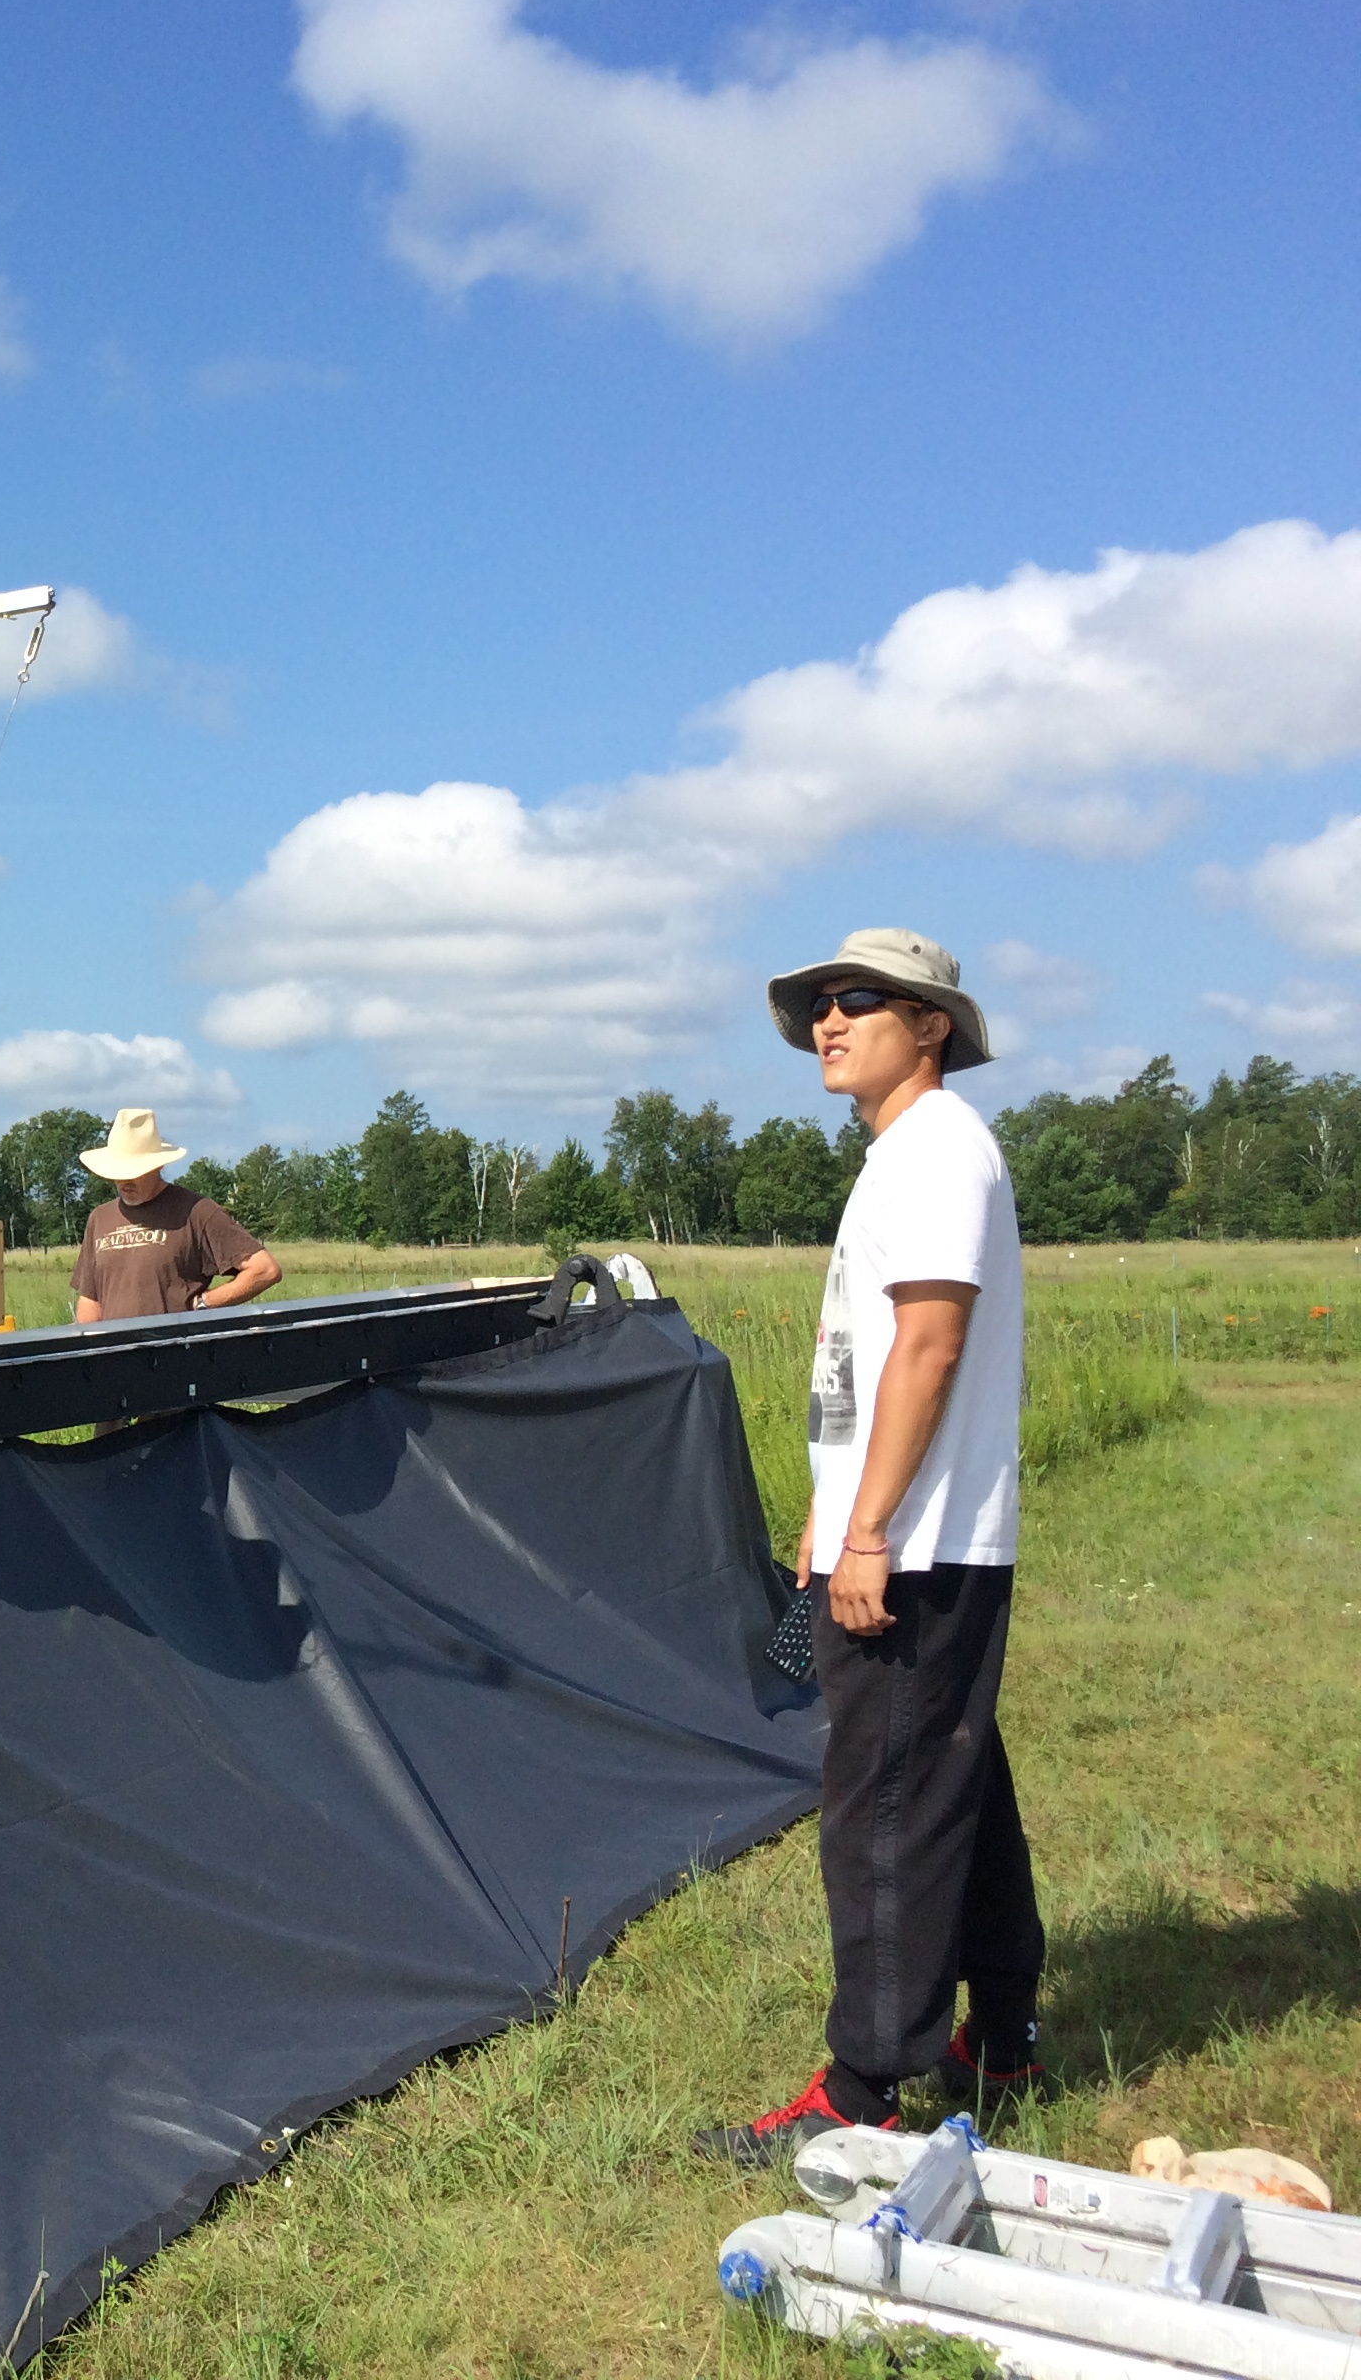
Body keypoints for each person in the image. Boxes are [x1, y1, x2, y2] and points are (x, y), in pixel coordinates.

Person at [695, 928, 1045, 2169]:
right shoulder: (907, 1152)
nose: (828, 1022)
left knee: (882, 1810)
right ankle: (1003, 2035)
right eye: (819, 1006)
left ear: (931, 1023)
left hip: (913, 1547)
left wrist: (869, 1531)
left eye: (859, 1000)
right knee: (954, 1781)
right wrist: (832, 1504)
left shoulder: (937, 1151)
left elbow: (931, 1347)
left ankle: (862, 2094)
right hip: (905, 1531)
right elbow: (876, 1360)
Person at [69, 1109, 281, 1322]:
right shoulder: (100, 1218)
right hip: (115, 1343)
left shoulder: (197, 1211)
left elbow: (264, 1269)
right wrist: (89, 1339)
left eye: (134, 1172)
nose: (124, 1180)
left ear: (158, 1165)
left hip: (176, 1341)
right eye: (117, 1172)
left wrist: (205, 1303)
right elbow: (90, 1299)